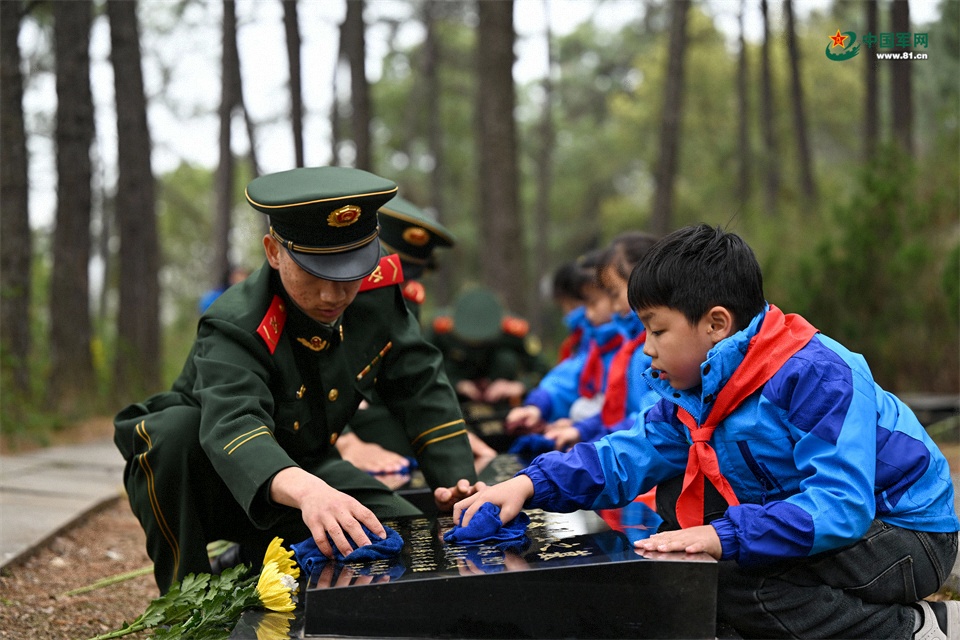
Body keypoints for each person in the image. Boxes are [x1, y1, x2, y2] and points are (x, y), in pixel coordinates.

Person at [454, 224, 959, 639]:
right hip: (830, 519)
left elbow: (842, 506)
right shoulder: (698, 389)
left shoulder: (814, 374)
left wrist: (722, 536)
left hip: (906, 531)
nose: (646, 349)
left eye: (655, 330)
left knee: (737, 585)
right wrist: (528, 485)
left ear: (716, 324)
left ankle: (915, 629)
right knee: (685, 552)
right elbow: (628, 452)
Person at [114, 166, 482, 593]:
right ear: (273, 251)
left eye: (346, 274)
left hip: (312, 465)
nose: (331, 295)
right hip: (218, 479)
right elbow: (234, 426)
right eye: (313, 273)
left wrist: (457, 484)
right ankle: (189, 597)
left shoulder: (378, 293)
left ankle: (256, 558)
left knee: (404, 537)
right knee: (169, 434)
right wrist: (309, 494)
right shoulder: (237, 323)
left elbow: (420, 386)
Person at [334, 194, 496, 473]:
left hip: (368, 409)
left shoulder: (403, 298)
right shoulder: (330, 292)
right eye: (388, 269)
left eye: (408, 274)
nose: (397, 281)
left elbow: (409, 374)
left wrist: (447, 436)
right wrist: (346, 442)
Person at [504, 249, 621, 436]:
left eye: (587, 304)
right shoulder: (599, 341)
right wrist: (538, 405)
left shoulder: (632, 345)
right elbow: (571, 378)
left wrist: (583, 431)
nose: (582, 315)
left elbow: (636, 414)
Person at [425, 286, 549, 406]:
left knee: (506, 359)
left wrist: (518, 386)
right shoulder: (440, 327)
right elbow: (424, 367)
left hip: (499, 389)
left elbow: (542, 370)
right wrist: (456, 384)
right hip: (455, 388)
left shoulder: (514, 330)